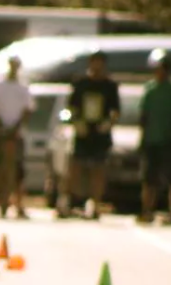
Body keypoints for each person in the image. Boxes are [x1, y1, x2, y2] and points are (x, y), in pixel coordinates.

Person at [60, 49, 120, 220]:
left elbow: (115, 111)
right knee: (75, 167)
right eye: (95, 61)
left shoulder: (110, 86)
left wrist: (108, 124)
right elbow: (69, 108)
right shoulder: (80, 83)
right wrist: (75, 122)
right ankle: (68, 202)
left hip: (100, 133)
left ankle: (95, 204)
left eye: (100, 62)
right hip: (82, 131)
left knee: (98, 169)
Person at [0, 54, 33, 219]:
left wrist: (15, 127)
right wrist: (1, 123)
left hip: (16, 134)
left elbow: (27, 109)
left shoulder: (23, 87)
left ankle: (18, 204)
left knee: (18, 170)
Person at [139, 48, 171, 225]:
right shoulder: (150, 89)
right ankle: (146, 210)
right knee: (148, 178)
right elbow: (143, 116)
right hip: (151, 139)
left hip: (167, 139)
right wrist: (142, 137)